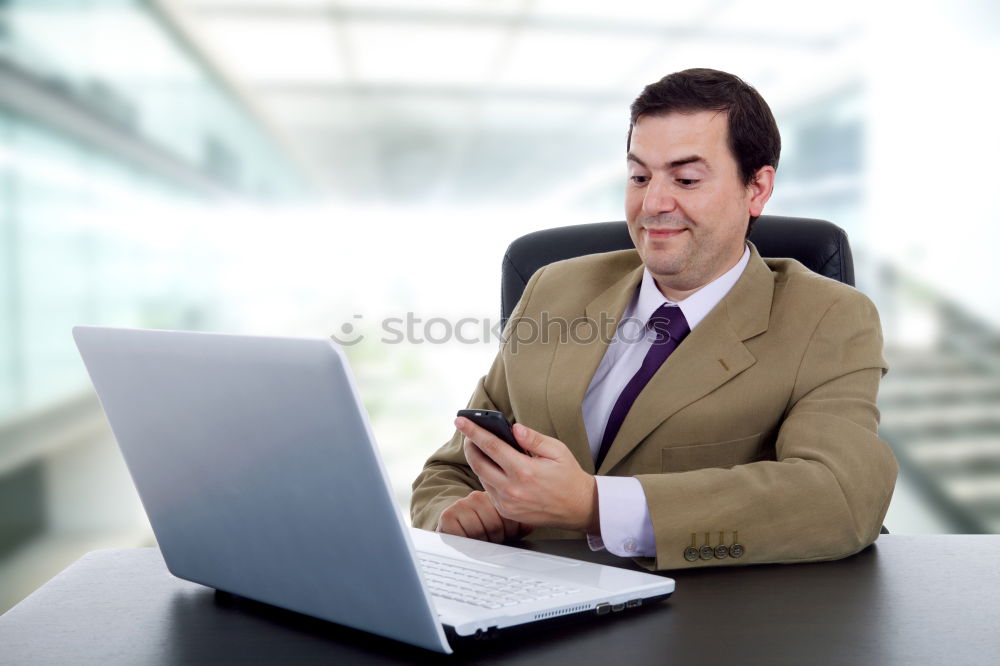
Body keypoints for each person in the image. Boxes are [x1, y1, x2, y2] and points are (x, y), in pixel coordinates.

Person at [410, 68, 897, 570]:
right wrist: (453, 518)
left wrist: (595, 506)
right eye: (640, 176)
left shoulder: (830, 318)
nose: (653, 204)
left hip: (703, 624)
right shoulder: (552, 288)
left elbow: (840, 494)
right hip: (530, 608)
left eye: (686, 179)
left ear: (757, 189)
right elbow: (449, 470)